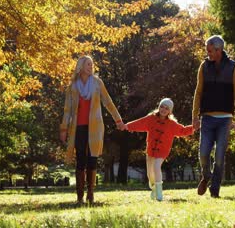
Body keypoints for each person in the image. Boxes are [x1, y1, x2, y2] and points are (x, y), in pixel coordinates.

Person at [60, 55, 127, 204]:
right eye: (88, 64)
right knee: (80, 161)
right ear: (81, 66)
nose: (91, 67)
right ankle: (79, 197)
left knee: (92, 159)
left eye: (92, 64)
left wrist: (118, 119)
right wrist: (63, 128)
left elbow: (108, 102)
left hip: (95, 127)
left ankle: (90, 194)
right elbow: (67, 110)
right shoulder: (72, 87)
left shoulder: (97, 83)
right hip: (78, 129)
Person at [193, 35, 235, 198]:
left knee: (220, 156)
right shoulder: (204, 66)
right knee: (203, 154)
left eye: (209, 50)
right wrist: (195, 116)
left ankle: (215, 188)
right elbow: (198, 92)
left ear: (218, 50)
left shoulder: (233, 67)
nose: (207, 53)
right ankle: (206, 175)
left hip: (225, 119)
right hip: (207, 118)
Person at [126, 98, 194, 201]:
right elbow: (139, 123)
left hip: (163, 150)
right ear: (159, 107)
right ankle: (153, 187)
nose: (163, 109)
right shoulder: (151, 118)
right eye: (162, 106)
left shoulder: (172, 124)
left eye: (167, 108)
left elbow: (183, 130)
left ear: (170, 111)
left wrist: (194, 127)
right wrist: (127, 126)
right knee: (150, 173)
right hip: (151, 149)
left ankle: (159, 193)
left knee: (157, 166)